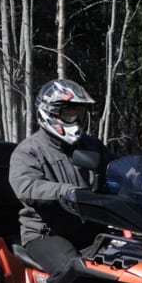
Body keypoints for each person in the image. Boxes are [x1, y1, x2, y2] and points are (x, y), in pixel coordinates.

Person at [9, 78, 108, 273]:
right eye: (69, 113)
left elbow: (120, 169)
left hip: (89, 227)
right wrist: (67, 192)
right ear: (51, 113)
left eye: (79, 113)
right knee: (74, 275)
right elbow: (26, 187)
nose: (76, 119)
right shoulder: (29, 150)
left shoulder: (92, 146)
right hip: (46, 233)